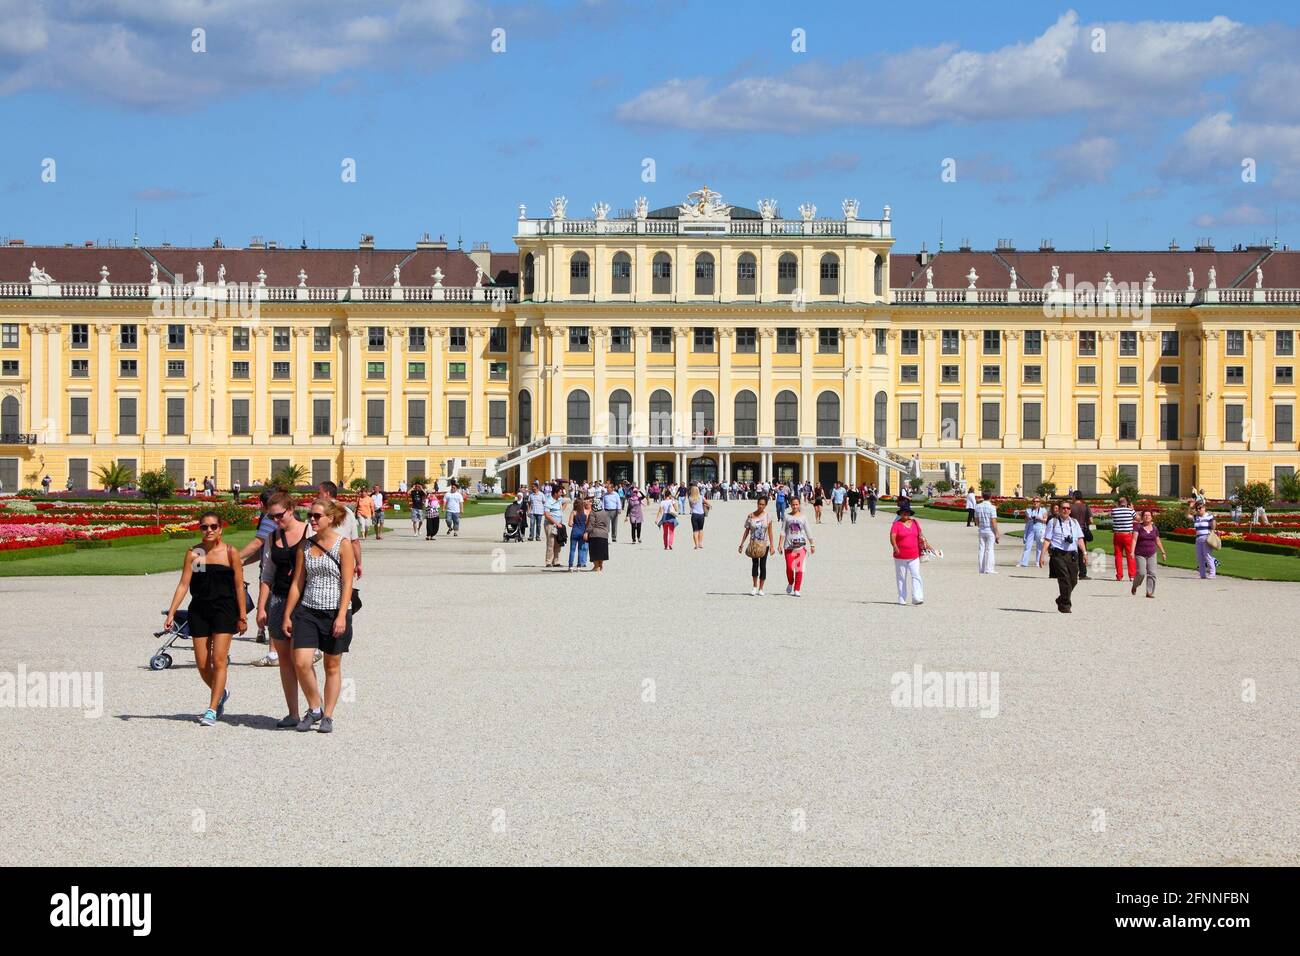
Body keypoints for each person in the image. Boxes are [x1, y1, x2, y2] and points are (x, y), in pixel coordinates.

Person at [163, 511, 246, 725]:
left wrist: (243, 615)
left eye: (213, 526)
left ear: (221, 529)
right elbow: (183, 584)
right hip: (199, 609)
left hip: (224, 610)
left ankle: (211, 708)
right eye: (204, 527)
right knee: (202, 664)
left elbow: (238, 585)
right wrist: (172, 612)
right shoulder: (195, 554)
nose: (208, 530)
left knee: (218, 660)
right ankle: (220, 693)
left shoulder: (230, 553)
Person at [282, 498, 356, 734]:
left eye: (317, 516)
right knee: (301, 661)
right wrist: (287, 615)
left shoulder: (342, 545)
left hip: (335, 611)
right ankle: (315, 707)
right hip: (308, 610)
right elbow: (297, 582)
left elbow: (347, 582)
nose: (312, 520)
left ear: (330, 519)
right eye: (310, 516)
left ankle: (328, 715)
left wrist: (342, 615)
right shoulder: (305, 546)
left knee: (331, 665)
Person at [254, 492, 309, 726]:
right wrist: (261, 607)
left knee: (302, 660)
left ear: (291, 509)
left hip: (307, 600)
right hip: (278, 599)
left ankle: (315, 707)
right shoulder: (272, 537)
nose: (276, 520)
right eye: (271, 516)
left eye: (279, 516)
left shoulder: (310, 531)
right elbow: (267, 574)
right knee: (285, 660)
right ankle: (293, 712)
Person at [1040, 500, 1086, 613]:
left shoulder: (1074, 522)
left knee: (1073, 580)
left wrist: (1084, 553)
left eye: (1068, 508)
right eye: (1063, 508)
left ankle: (1061, 599)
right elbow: (1047, 540)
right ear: (1059, 509)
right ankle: (1065, 605)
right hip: (1058, 555)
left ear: (1070, 510)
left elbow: (1080, 539)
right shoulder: (1053, 522)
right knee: (1064, 579)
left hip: (1072, 555)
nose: (1066, 510)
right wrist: (1042, 555)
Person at [890, 501, 928, 606]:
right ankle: (902, 598)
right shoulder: (896, 524)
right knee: (901, 577)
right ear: (900, 513)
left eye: (907, 512)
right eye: (903, 512)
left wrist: (927, 545)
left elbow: (921, 536)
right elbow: (892, 536)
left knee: (916, 575)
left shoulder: (915, 523)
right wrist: (895, 546)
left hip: (914, 555)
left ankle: (917, 597)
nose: (905, 514)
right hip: (900, 556)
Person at [778, 496, 815, 596]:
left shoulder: (803, 517)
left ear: (799, 505)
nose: (795, 506)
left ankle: (797, 589)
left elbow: (808, 531)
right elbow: (783, 531)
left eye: (796, 504)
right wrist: (780, 544)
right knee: (790, 567)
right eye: (793, 504)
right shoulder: (786, 516)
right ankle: (790, 582)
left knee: (799, 568)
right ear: (790, 505)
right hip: (789, 546)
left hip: (800, 547)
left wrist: (812, 544)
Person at [738, 494, 774, 596]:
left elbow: (770, 532)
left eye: (763, 504)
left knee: (763, 566)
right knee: (754, 565)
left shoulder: (768, 516)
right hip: (753, 543)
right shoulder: (750, 516)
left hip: (764, 544)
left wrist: (772, 546)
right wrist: (741, 543)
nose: (760, 506)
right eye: (759, 504)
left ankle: (761, 588)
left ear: (766, 505)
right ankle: (754, 586)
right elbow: (746, 531)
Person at [1131, 509, 1167, 598]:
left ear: (1151, 517)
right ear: (1142, 517)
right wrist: (1132, 551)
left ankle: (1149, 592)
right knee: (1141, 573)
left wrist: (1163, 552)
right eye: (1145, 515)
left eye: (1149, 515)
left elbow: (1157, 540)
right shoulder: (1138, 527)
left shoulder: (1154, 528)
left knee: (1152, 573)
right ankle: (1135, 585)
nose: (1147, 517)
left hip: (1152, 553)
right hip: (1140, 553)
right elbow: (1134, 539)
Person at [1110, 495, 1137, 582]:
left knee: (1118, 556)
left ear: (1118, 503)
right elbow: (1138, 518)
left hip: (1117, 535)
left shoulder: (1114, 511)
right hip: (1128, 535)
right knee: (1130, 555)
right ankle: (1132, 575)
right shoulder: (1130, 511)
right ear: (1126, 503)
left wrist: (1117, 507)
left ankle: (1119, 576)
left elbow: (1112, 515)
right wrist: (1132, 509)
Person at [1017, 496, 1049, 568]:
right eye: (1034, 501)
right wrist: (1028, 518)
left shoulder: (1043, 510)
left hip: (1039, 527)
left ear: (1040, 503)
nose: (1035, 503)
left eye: (1037, 502)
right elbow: (1025, 520)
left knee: (1039, 546)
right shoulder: (1029, 510)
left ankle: (1038, 562)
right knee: (1028, 545)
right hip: (1031, 527)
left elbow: (1045, 520)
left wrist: (1039, 518)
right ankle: (1024, 562)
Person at [1189, 500, 1217, 579]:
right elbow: (1187, 515)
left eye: (1200, 508)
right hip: (1198, 539)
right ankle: (1202, 574)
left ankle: (1212, 573)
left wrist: (1212, 530)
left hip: (1206, 538)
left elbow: (1214, 521)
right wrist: (1190, 507)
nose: (1198, 510)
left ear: (1204, 508)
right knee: (1200, 557)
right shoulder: (1196, 517)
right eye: (1197, 508)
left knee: (1207, 555)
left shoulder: (1209, 516)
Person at [974, 491, 1000, 574]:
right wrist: (997, 532)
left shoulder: (977, 506)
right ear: (990, 497)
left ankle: (981, 569)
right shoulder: (992, 507)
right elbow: (993, 521)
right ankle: (989, 569)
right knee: (989, 549)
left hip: (981, 529)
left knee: (981, 549)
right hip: (990, 530)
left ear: (982, 496)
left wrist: (980, 526)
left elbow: (976, 520)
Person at [1069, 491, 1093, 579]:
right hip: (1082, 531)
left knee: (1071, 551)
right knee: (1082, 552)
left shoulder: (1070, 507)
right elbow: (1091, 520)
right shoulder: (1085, 506)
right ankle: (1082, 574)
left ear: (1074, 497)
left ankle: (1072, 572)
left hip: (1071, 531)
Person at [542, 486, 566, 567]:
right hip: (550, 524)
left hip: (558, 524)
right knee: (551, 543)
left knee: (558, 543)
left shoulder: (559, 499)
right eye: (560, 492)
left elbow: (566, 502)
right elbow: (547, 515)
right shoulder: (548, 501)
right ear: (555, 493)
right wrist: (556, 523)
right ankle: (548, 561)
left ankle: (556, 561)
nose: (561, 493)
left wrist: (561, 511)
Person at [587, 496, 610, 571]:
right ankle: (601, 565)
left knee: (595, 551)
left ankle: (596, 566)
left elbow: (591, 524)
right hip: (604, 534)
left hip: (595, 534)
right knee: (602, 551)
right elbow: (607, 524)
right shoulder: (605, 512)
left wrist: (587, 532)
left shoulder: (593, 512)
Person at [567, 496, 590, 570]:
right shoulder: (586, 512)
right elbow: (587, 523)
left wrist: (575, 524)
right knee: (580, 549)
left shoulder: (574, 512)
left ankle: (570, 566)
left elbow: (570, 524)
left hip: (574, 532)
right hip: (582, 532)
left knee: (572, 550)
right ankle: (579, 565)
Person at [688, 482, 711, 549]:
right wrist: (707, 505)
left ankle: (696, 545)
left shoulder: (690, 498)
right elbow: (707, 503)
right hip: (701, 515)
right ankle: (700, 543)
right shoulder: (701, 497)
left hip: (694, 514)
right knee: (701, 529)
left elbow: (691, 507)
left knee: (695, 530)